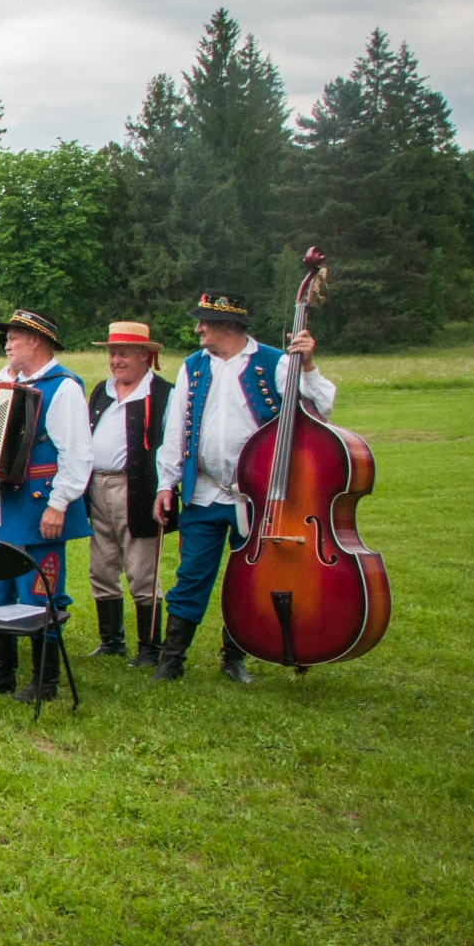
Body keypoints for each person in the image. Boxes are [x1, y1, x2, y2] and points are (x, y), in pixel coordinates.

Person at [152, 291, 332, 683]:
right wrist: (166, 483)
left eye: (206, 321)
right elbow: (174, 429)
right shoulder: (192, 367)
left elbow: (320, 408)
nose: (198, 328)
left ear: (230, 325)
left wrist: (309, 366)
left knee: (248, 579)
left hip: (259, 496)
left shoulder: (275, 361)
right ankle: (171, 661)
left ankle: (234, 658)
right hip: (203, 491)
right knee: (192, 574)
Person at [0, 310, 92, 703]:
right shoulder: (1, 384)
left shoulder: (64, 388)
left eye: (15, 336)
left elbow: (76, 454)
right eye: (7, 336)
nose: (7, 343)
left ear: (38, 341)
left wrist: (58, 504)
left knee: (40, 592)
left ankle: (45, 680)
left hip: (38, 506)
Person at [85, 322, 177, 666]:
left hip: (137, 488)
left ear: (145, 355)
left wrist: (165, 487)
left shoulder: (163, 394)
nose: (116, 360)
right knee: (101, 566)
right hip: (98, 485)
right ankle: (111, 641)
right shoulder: (102, 391)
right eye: (111, 353)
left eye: (123, 353)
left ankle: (150, 647)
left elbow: (172, 445)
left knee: (141, 569)